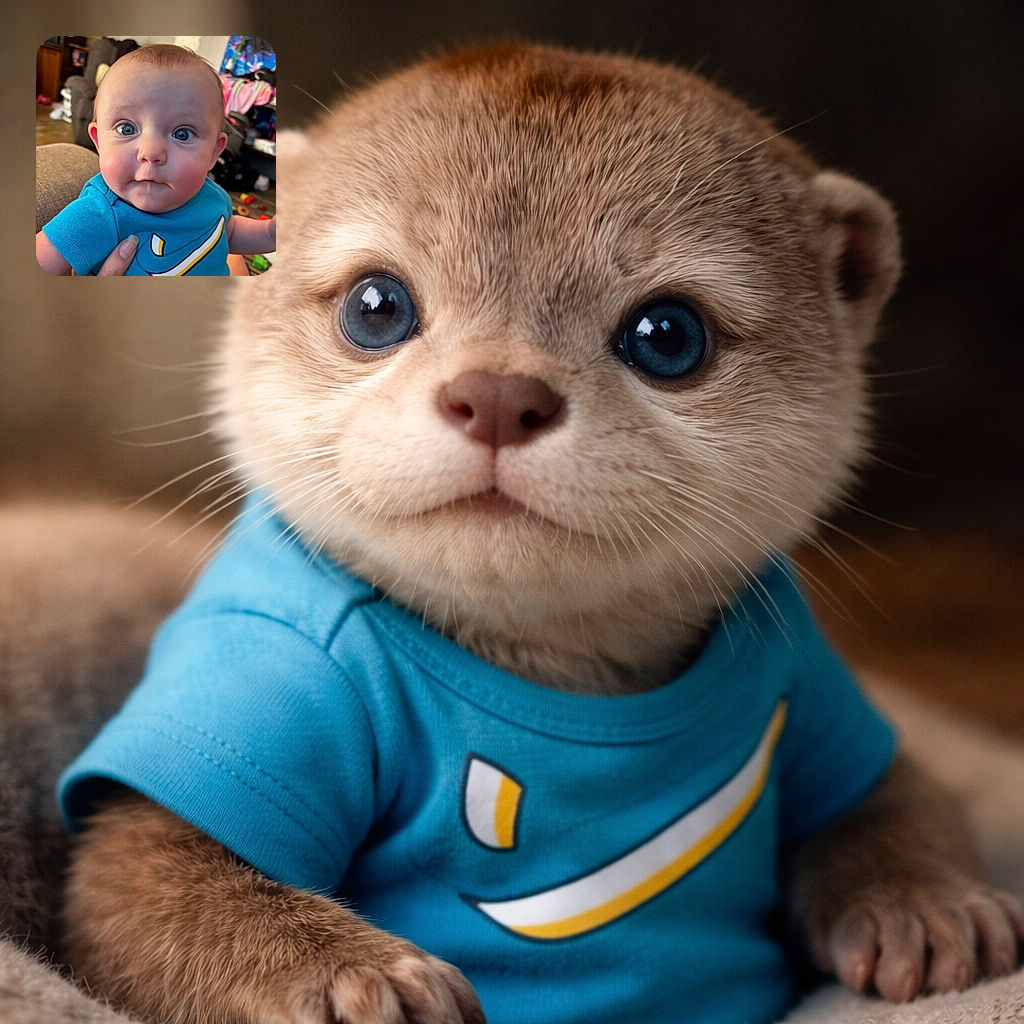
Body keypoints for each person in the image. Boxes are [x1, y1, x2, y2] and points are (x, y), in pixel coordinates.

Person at [36, 44, 275, 276]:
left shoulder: (212, 196)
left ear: (214, 152)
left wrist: (269, 233)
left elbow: (228, 232)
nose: (150, 152)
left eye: (182, 134)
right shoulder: (98, 214)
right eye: (126, 129)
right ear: (98, 143)